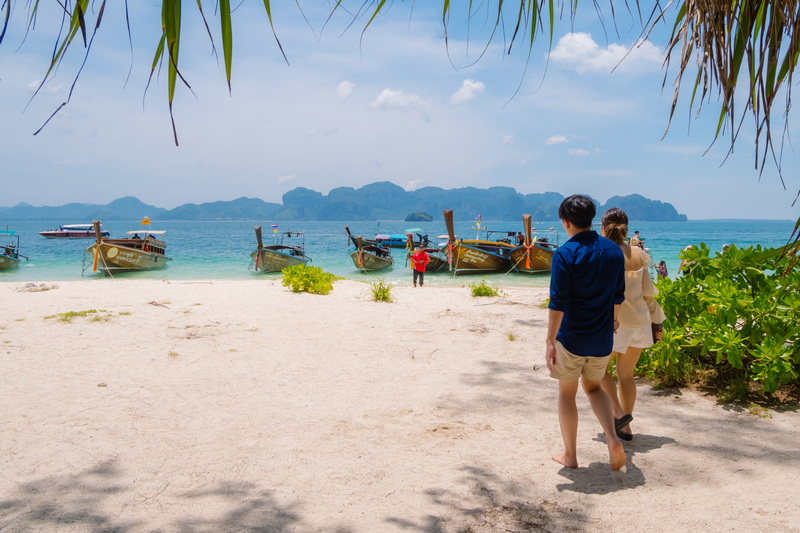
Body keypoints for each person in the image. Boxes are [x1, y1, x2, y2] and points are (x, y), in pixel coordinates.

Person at [546, 194, 627, 471]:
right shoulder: (614, 251)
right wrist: (613, 322)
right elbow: (618, 296)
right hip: (602, 336)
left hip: (571, 337)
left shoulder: (565, 253)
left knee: (567, 394)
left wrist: (549, 340)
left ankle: (570, 455)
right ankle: (613, 439)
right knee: (594, 388)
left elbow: (558, 303)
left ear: (566, 222)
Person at [598, 208, 667, 441]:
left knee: (598, 371)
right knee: (626, 375)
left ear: (602, 226)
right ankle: (626, 426)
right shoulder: (638, 253)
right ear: (626, 227)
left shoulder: (603, 252)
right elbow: (648, 292)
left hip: (614, 322)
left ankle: (618, 414)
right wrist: (657, 321)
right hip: (639, 321)